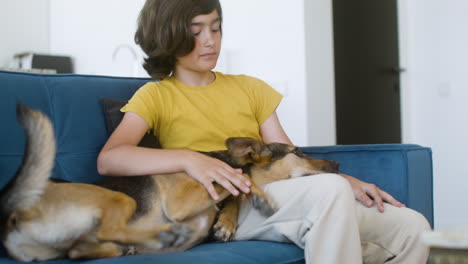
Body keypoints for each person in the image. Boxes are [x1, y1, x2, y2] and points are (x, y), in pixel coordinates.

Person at [97, 0, 431, 263]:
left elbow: (290, 155)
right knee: (327, 191)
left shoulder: (251, 88)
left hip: (279, 200)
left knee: (413, 228)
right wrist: (189, 160)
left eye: (215, 28)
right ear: (169, 36)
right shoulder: (156, 95)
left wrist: (353, 184)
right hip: (222, 205)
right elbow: (111, 159)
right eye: (196, 31)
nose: (210, 41)